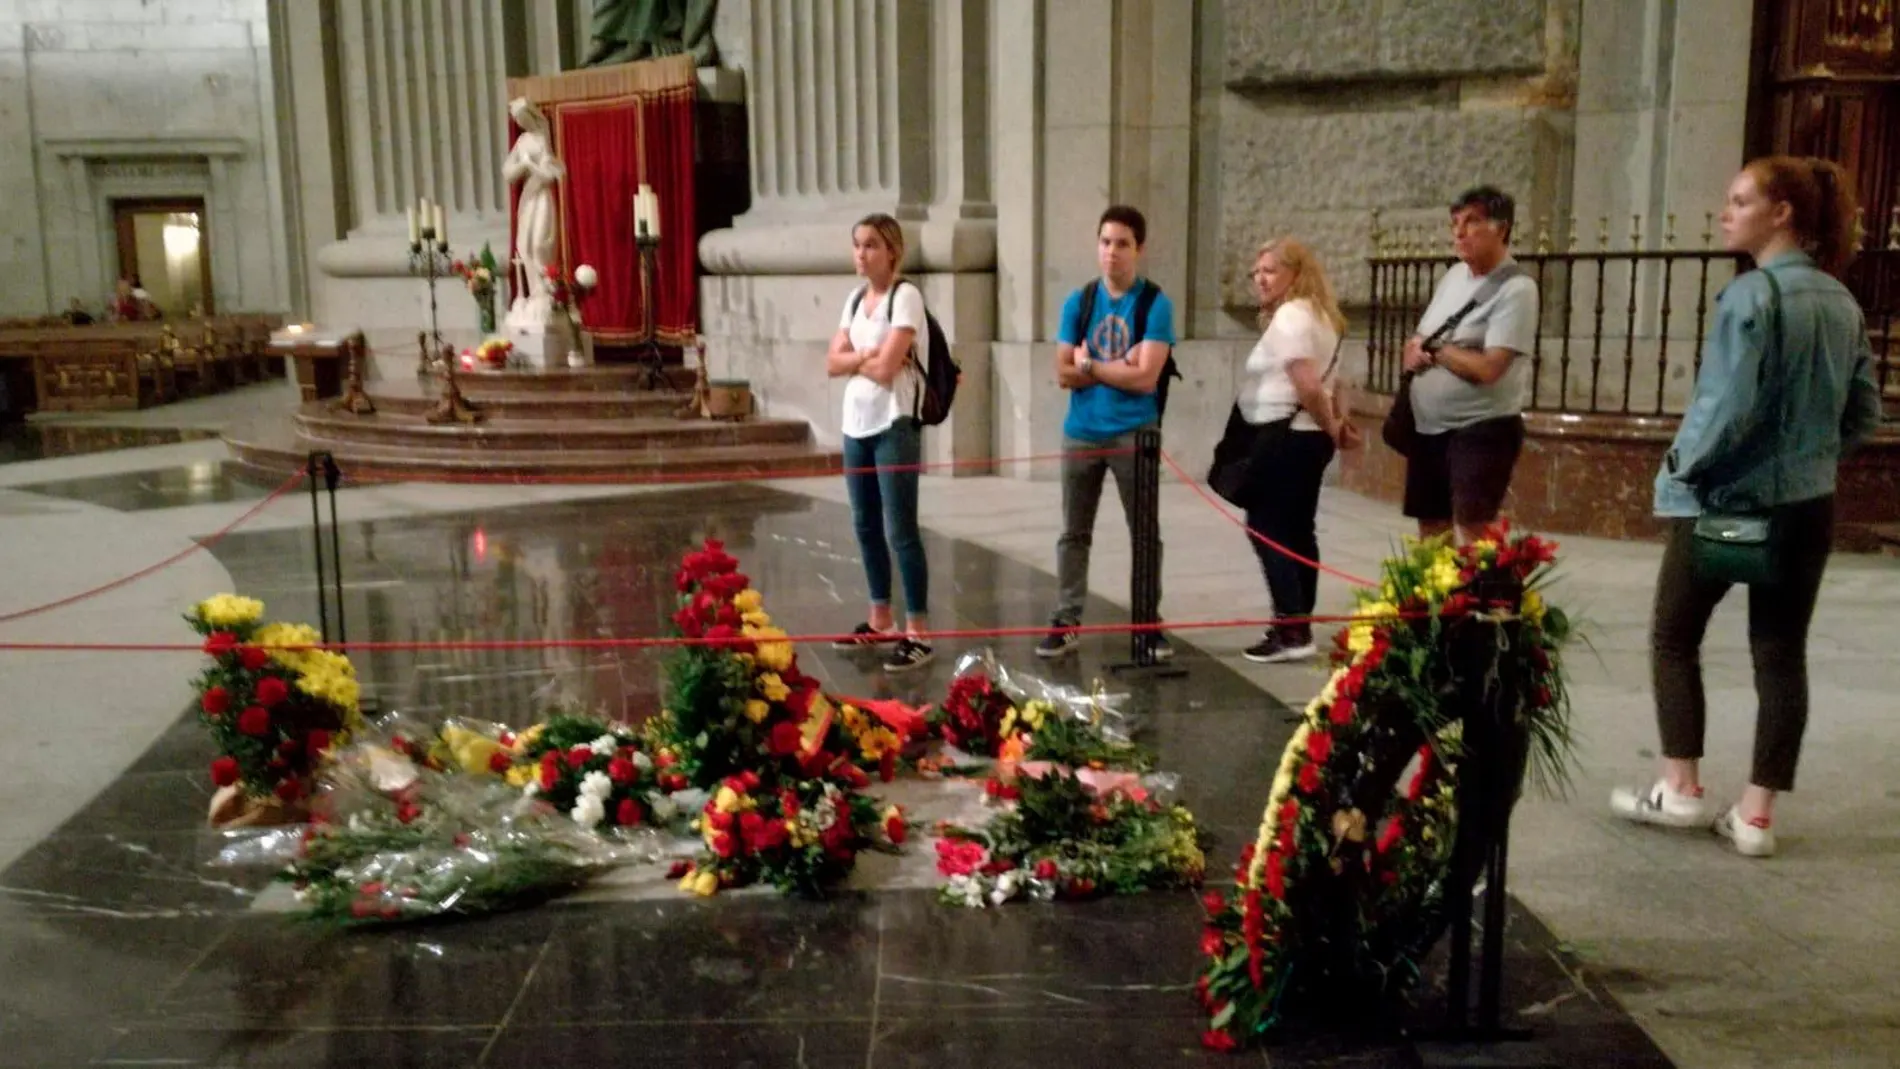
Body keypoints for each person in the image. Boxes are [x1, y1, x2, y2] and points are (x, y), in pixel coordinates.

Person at [1611, 156, 1882, 859]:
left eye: (1739, 200)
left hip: (1732, 504)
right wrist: (1811, 456)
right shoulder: (1842, 302)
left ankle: (1680, 785)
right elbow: (1864, 414)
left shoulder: (1751, 296)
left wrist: (1680, 470)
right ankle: (1757, 817)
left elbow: (1723, 408)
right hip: (1809, 506)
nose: (1724, 212)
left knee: (1674, 636)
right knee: (1781, 652)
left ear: (1781, 213)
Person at [1037, 205, 1178, 660]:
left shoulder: (1155, 304)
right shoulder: (1078, 302)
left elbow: (1146, 379)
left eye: (1122, 243)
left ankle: (1147, 624)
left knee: (1144, 532)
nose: (1111, 252)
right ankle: (1066, 619)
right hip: (1082, 432)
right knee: (1073, 532)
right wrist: (1118, 365)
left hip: (1134, 433)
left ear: (1139, 249)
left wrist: (1091, 365)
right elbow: (1062, 372)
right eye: (1105, 242)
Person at [1225, 238, 1357, 663]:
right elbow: (1339, 381)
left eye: (1270, 271)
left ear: (1296, 274)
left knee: (1267, 527)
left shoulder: (1292, 315)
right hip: (1307, 437)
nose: (1260, 280)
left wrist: (1333, 426)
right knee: (1299, 529)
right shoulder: (1323, 316)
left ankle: (1291, 627)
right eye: (1256, 272)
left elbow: (1309, 386)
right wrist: (1336, 426)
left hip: (1288, 436)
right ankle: (1296, 623)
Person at [824, 213, 934, 673]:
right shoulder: (855, 300)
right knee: (865, 524)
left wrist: (858, 358)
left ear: (892, 251)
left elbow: (888, 368)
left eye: (871, 245)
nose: (861, 253)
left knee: (900, 529)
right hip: (856, 425)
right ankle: (880, 619)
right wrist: (863, 356)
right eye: (857, 244)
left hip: (894, 423)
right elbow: (830, 363)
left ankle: (919, 630)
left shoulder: (905, 297)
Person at [1400, 186, 1540, 543]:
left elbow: (1490, 368)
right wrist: (1412, 351)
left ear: (1501, 229)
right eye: (1455, 223)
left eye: (1472, 222)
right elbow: (1422, 336)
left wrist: (1438, 349)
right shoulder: (1453, 277)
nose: (1459, 232)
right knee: (1432, 527)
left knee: (1474, 530)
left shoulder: (1517, 289)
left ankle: (1483, 584)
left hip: (1480, 428)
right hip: (1429, 427)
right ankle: (1436, 583)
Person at [503, 97, 565, 331]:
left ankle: (545, 292)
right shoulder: (522, 141)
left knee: (539, 244)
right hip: (528, 197)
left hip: (542, 197)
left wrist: (532, 166)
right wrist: (523, 165)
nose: (520, 122)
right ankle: (535, 293)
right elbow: (507, 172)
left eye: (522, 117)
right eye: (517, 119)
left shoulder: (541, 138)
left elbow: (550, 175)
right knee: (525, 246)